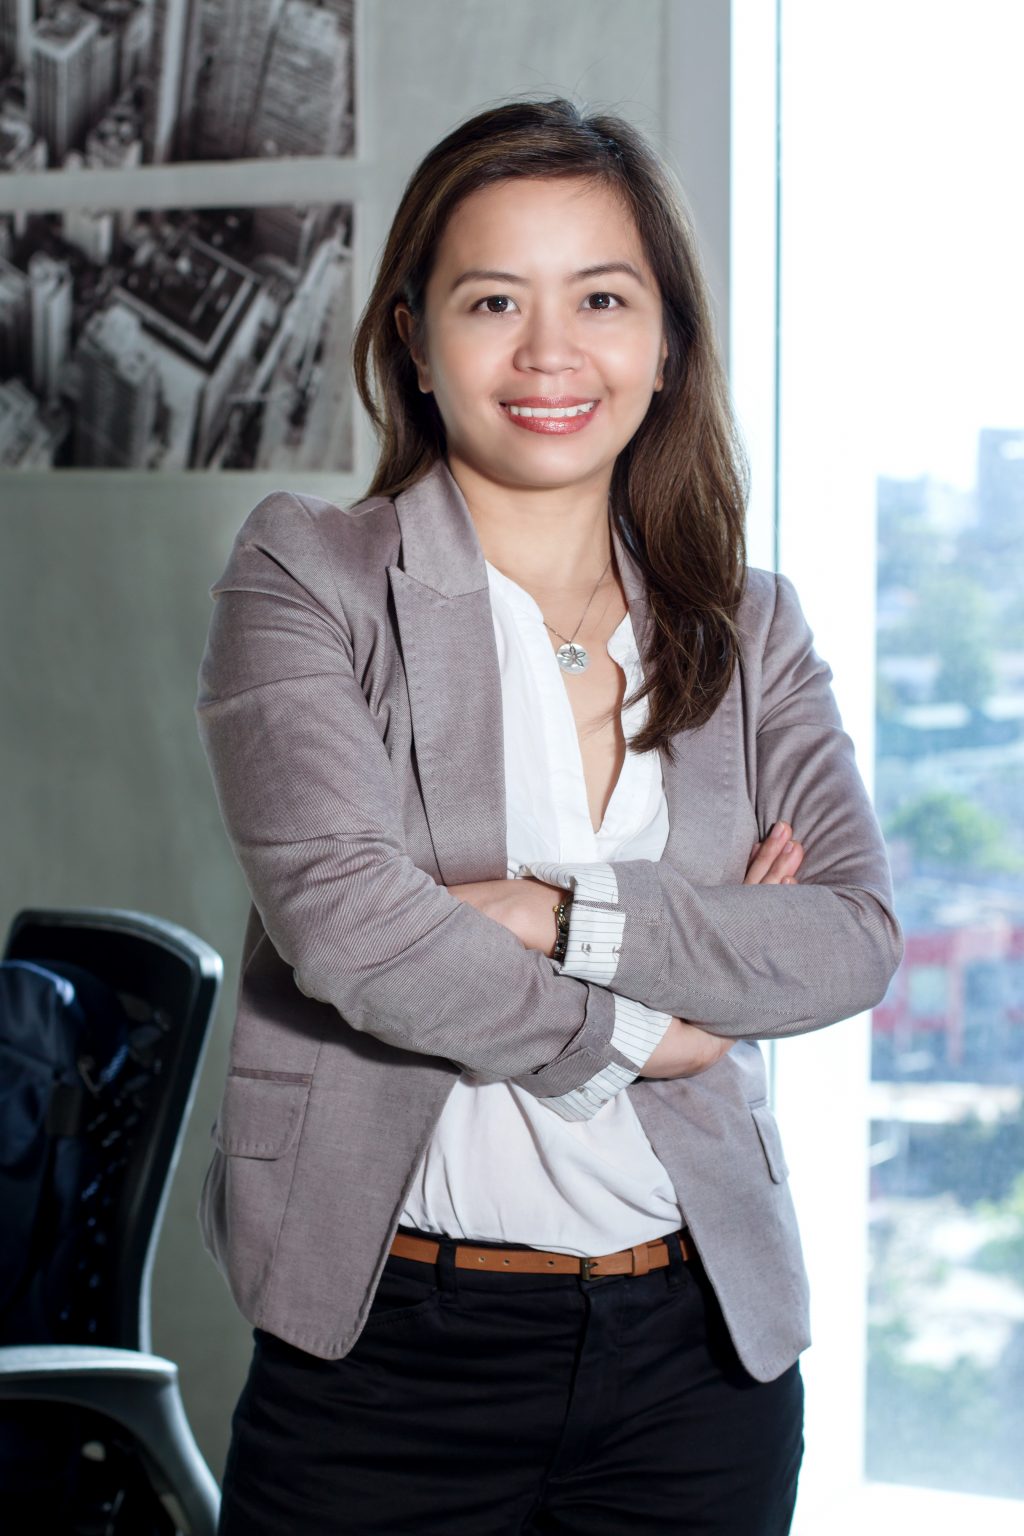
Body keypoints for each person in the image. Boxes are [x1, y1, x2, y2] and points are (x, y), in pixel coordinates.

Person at [196, 97, 903, 1535]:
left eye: (601, 298)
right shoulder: (308, 577)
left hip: (699, 1356)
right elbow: (356, 937)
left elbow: (848, 941)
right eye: (492, 301)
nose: (548, 353)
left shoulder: (750, 627)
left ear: (668, 340)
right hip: (388, 1355)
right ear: (415, 338)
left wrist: (550, 912)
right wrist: (653, 1029)